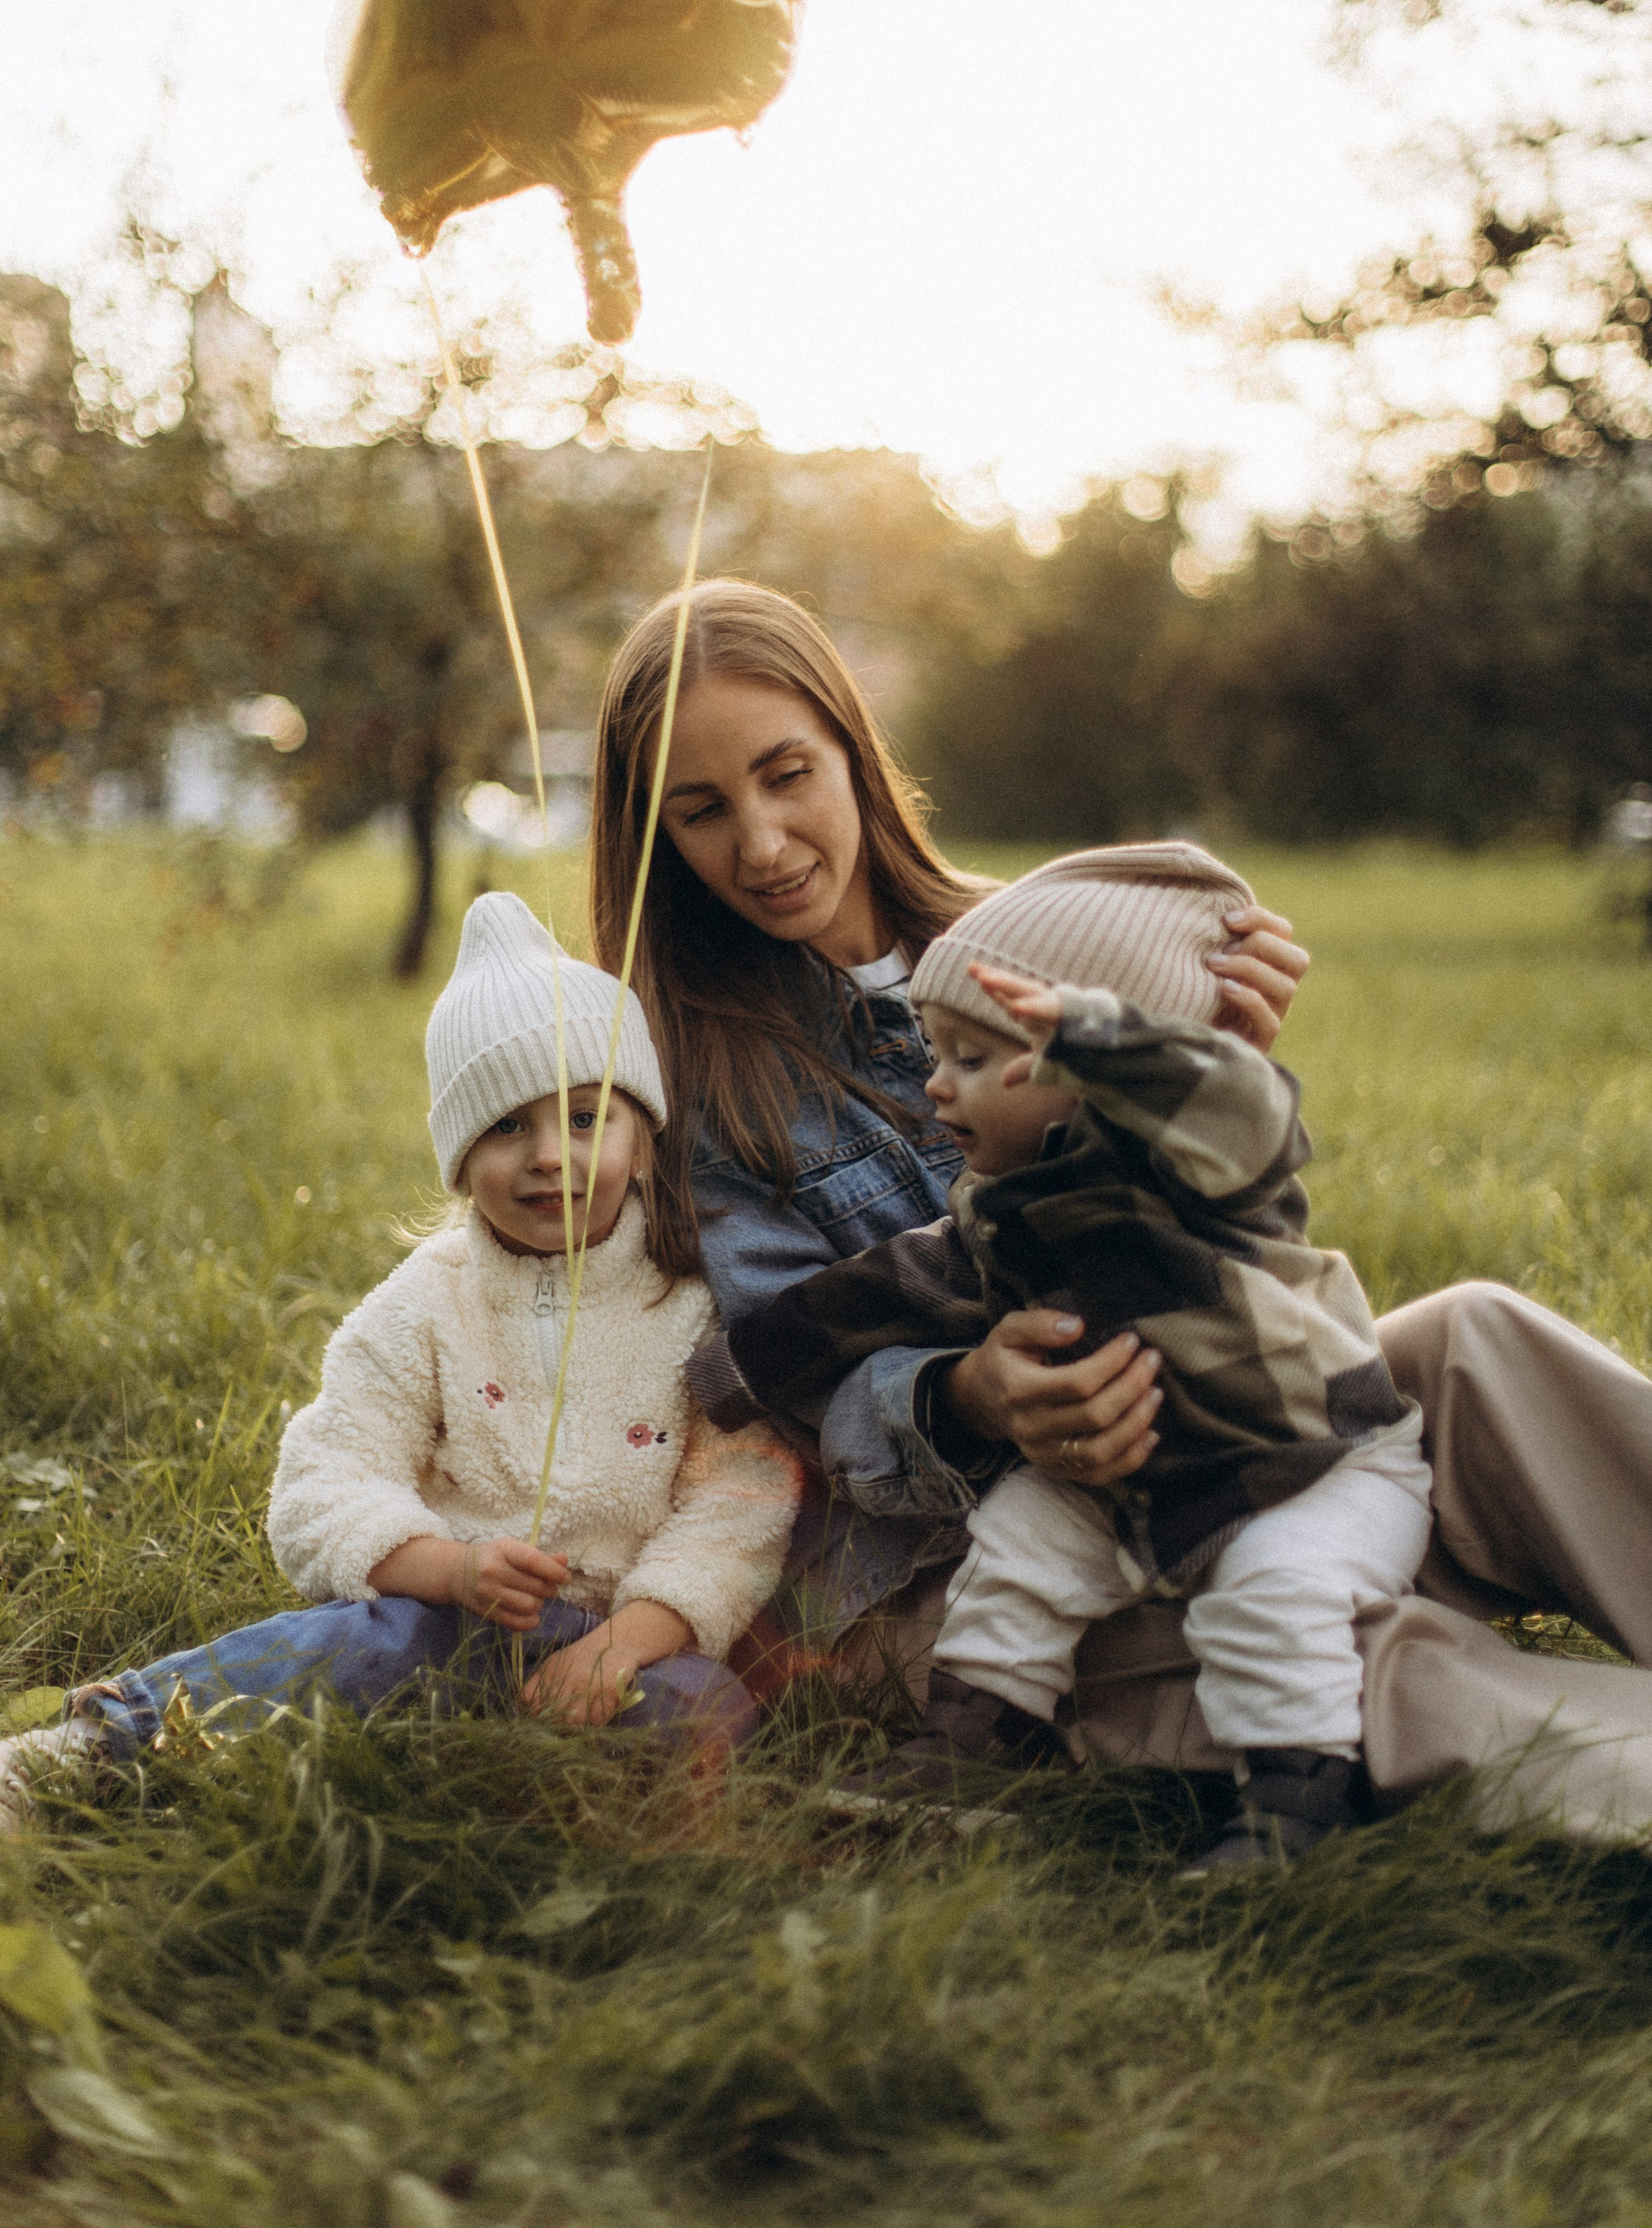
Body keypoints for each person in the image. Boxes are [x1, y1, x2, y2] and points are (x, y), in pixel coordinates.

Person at [590, 576, 1652, 1852]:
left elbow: (1216, 1211)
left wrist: (1214, 1062)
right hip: (971, 1563)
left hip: (1218, 1416)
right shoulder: (687, 1079)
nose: (760, 842)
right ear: (654, 835)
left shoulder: (1046, 939)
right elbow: (777, 1385)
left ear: (850, 753)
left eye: (785, 775)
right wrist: (964, 1394)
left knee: (1477, 1340)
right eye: (701, 812)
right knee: (1319, 1651)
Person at [692, 844, 1433, 1867]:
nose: (937, 1089)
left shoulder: (1198, 1165)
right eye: (934, 1053)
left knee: (1272, 1595)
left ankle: (1296, 1801)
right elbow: (881, 1290)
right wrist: (743, 1373)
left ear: (1097, 1078)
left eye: (976, 1059)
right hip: (1126, 1481)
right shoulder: (1001, 1213)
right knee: (1021, 1542)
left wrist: (1103, 1038)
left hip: (1307, 1464)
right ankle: (979, 1736)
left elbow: (1249, 1110)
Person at [0, 895, 800, 1832]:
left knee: (708, 1710)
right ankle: (90, 1753)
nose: (551, 1157)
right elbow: (324, 1479)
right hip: (447, 1619)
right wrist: (448, 1569)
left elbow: (740, 1508)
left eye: (587, 1120)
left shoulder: (694, 1306)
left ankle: (521, 1801)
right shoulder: (426, 1303)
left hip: (629, 1640)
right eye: (507, 1128)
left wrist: (630, 1640)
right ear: (460, 1161)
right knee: (348, 1646)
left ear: (643, 1139)